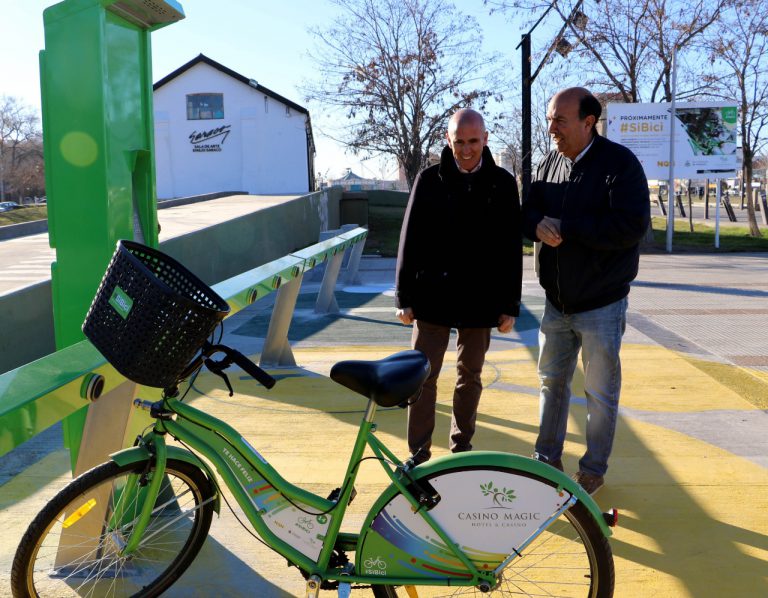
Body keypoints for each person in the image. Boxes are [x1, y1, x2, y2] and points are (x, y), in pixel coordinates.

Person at [523, 87, 650, 494]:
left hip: (601, 304)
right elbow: (525, 212)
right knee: (551, 382)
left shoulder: (620, 166)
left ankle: (593, 468)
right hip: (555, 303)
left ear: (588, 122)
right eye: (548, 120)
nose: (551, 129)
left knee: (599, 392)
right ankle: (547, 459)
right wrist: (536, 224)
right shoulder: (546, 165)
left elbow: (631, 227)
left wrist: (569, 229)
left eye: (559, 120)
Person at [395, 108, 522, 465]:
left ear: (485, 140)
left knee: (470, 376)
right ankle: (418, 453)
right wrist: (404, 297)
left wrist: (510, 304)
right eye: (459, 142)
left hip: (481, 298)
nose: (466, 150)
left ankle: (461, 448)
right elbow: (410, 240)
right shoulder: (429, 179)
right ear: (448, 141)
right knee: (422, 377)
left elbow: (511, 247)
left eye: (473, 142)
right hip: (432, 296)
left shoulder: (502, 182)